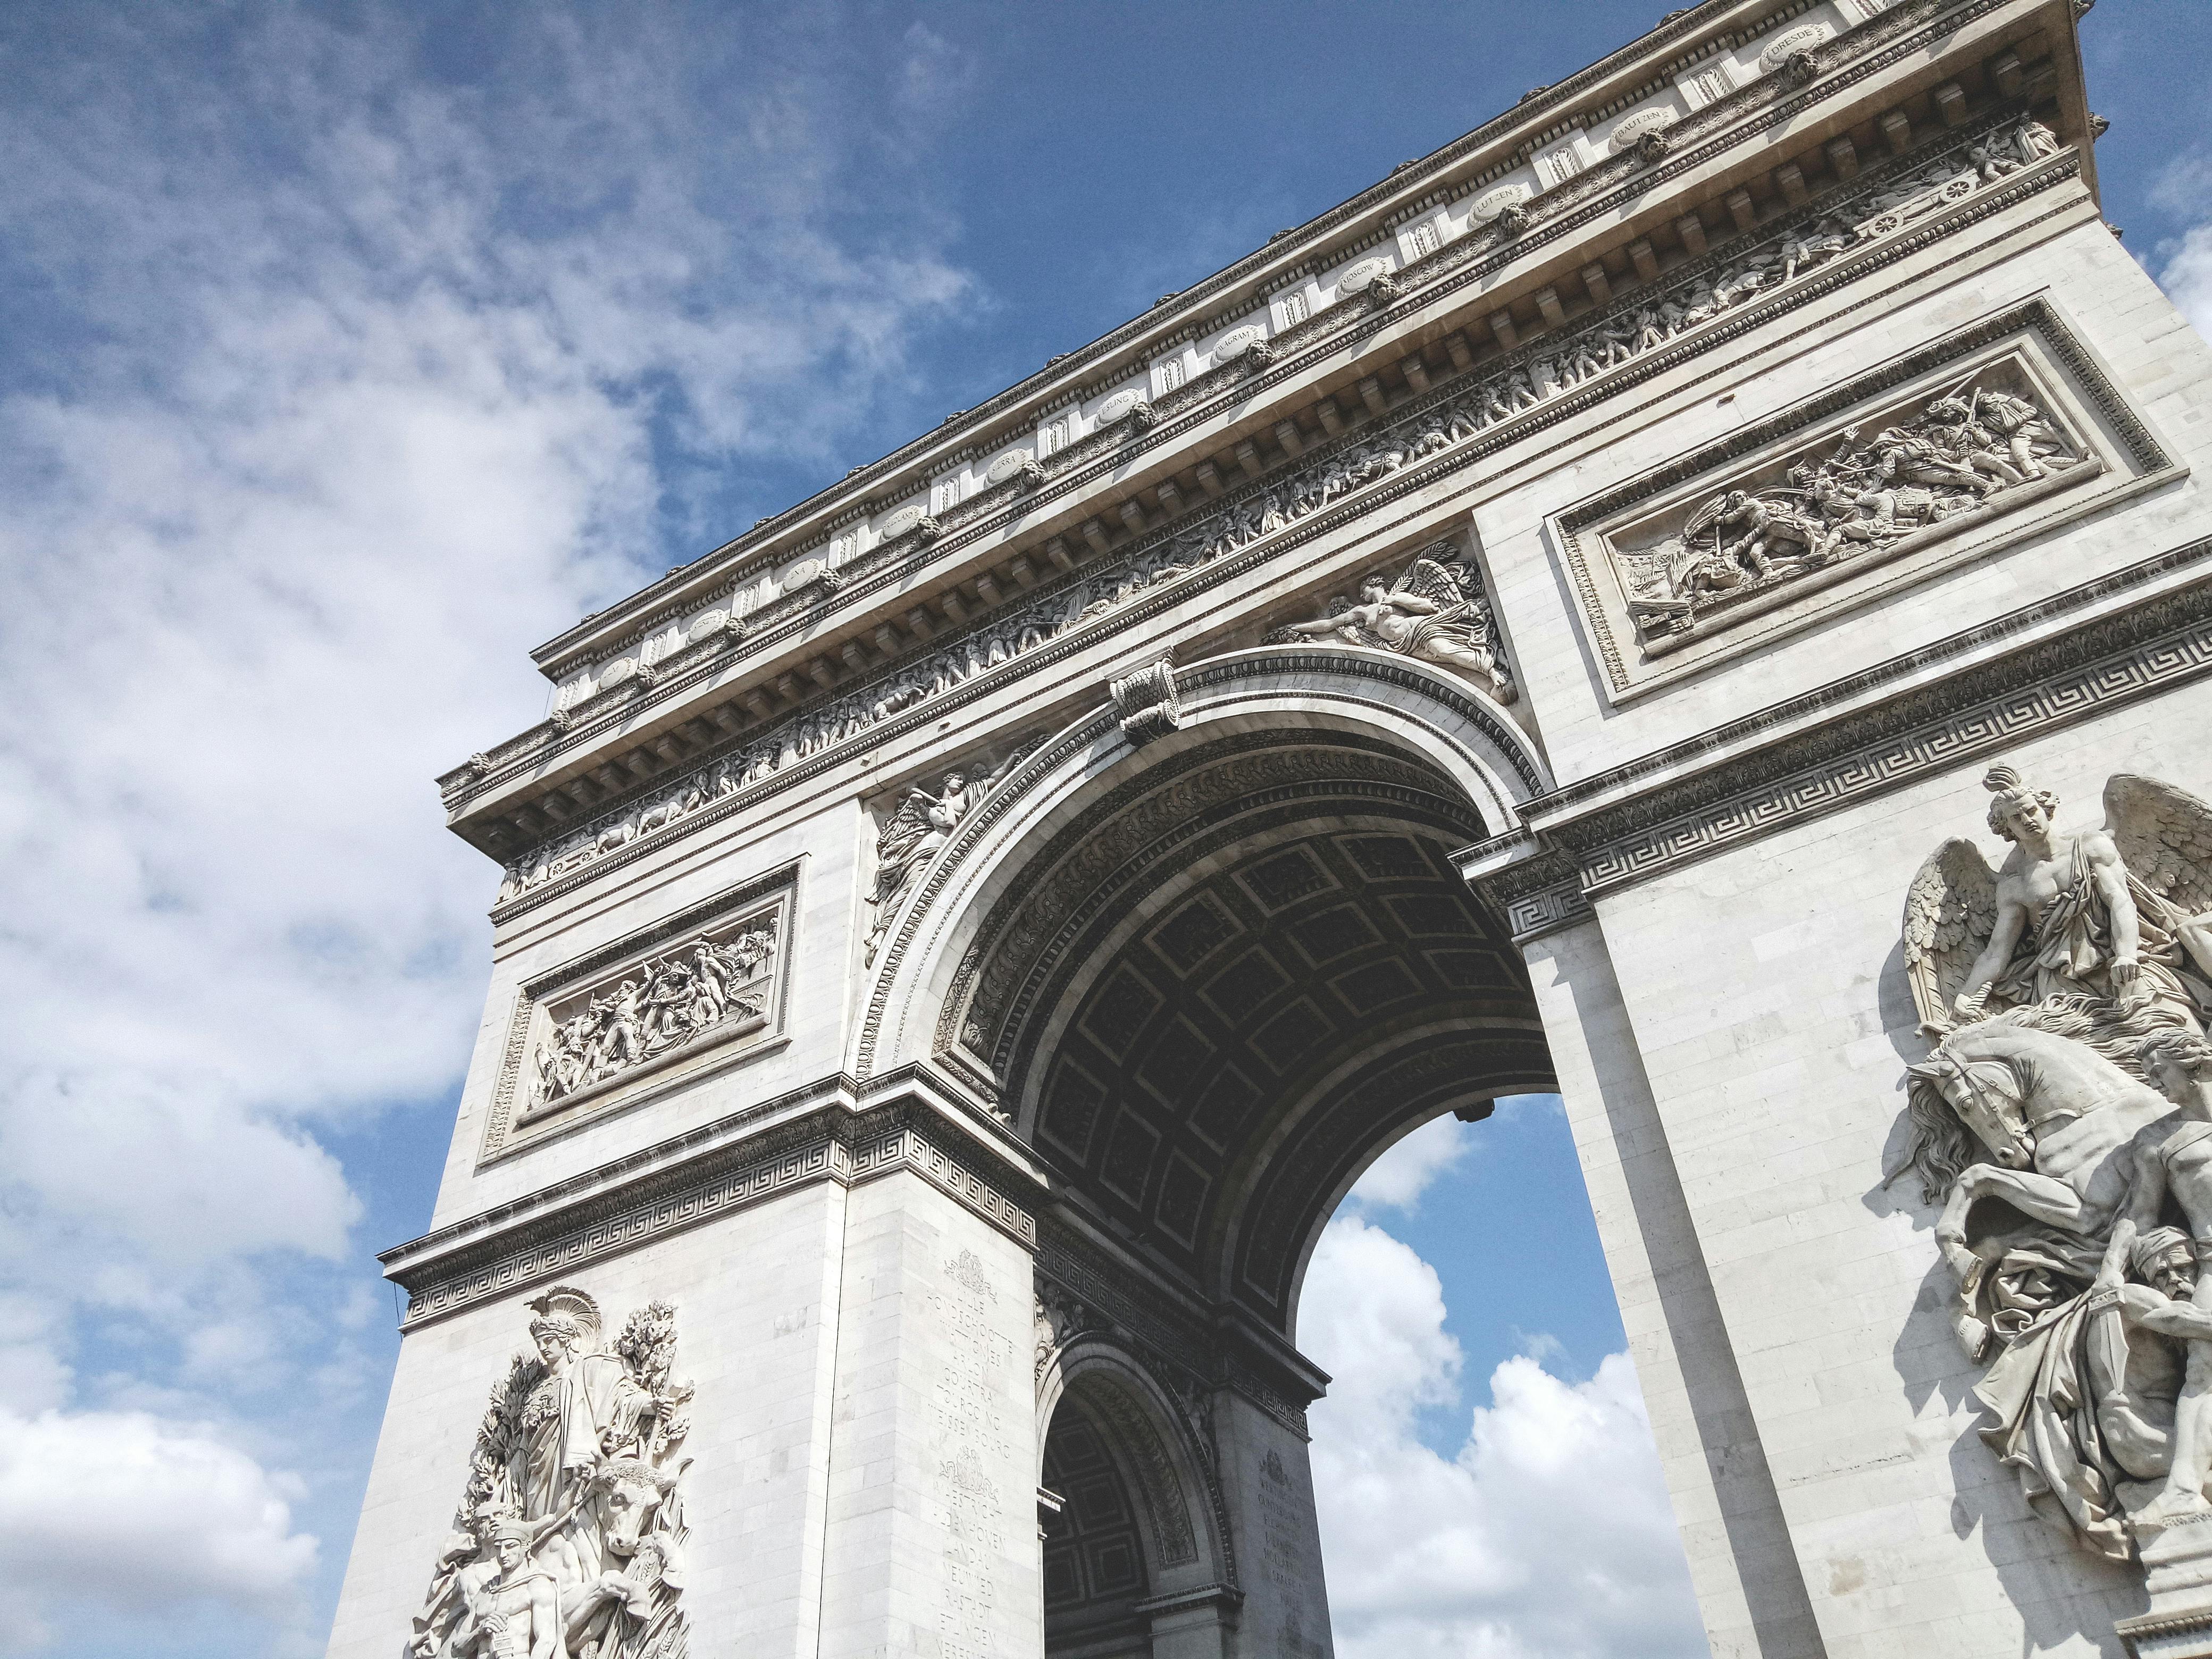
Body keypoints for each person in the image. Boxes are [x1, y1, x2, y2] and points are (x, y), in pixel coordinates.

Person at [1951, 766, 2200, 1034]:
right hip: (2060, 982)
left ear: (2045, 809)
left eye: (2031, 811)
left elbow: (2120, 900)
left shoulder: (2091, 845)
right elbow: (1997, 951)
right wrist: (1967, 996)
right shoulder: (2014, 886)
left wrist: (2127, 955)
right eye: (2016, 817)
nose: (2027, 820)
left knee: (2172, 1027)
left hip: (2115, 960)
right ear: (2007, 828)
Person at [2097, 1032, 2212, 1519]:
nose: (2154, 1083)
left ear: (2190, 1065)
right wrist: (2110, 1271)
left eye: (2159, 1071)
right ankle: (2184, 1486)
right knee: (2202, 1370)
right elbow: (2140, 1214)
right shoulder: (2158, 1141)